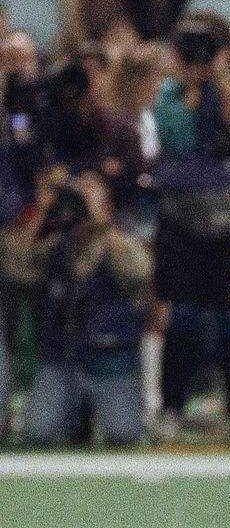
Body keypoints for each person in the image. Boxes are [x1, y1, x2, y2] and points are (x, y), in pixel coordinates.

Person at [151, 9, 230, 443]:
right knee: (182, 317)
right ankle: (170, 408)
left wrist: (220, 78)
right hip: (182, 223)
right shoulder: (171, 92)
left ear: (228, 49)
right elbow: (176, 140)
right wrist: (189, 84)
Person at [16, 170, 150, 445]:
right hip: (62, 360)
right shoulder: (56, 244)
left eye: (91, 190)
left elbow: (139, 274)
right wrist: (44, 212)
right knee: (37, 431)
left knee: (123, 433)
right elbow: (18, 270)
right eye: (78, 191)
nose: (82, 197)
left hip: (110, 361)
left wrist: (102, 224)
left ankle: (91, 413)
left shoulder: (121, 239)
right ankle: (75, 417)